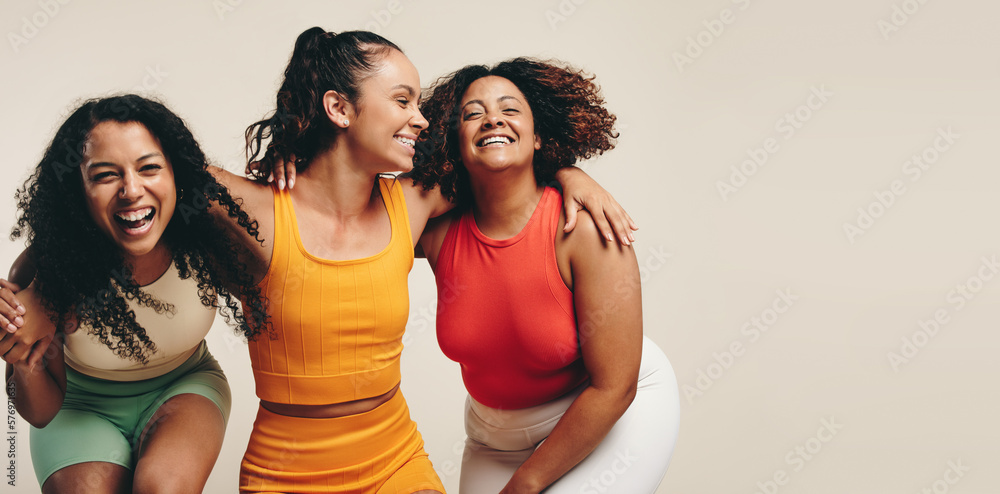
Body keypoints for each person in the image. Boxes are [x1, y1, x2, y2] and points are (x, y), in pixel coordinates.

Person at [2, 29, 634, 493]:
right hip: (285, 470)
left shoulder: (413, 200)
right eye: (404, 101)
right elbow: (129, 189)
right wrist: (29, 291)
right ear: (340, 109)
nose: (421, 119)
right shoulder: (252, 210)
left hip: (394, 459)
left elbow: (500, 160)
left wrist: (573, 175)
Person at [409, 58, 680, 493]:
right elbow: (350, 210)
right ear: (453, 141)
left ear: (537, 136)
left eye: (510, 109)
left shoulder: (584, 229)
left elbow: (615, 386)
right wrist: (295, 154)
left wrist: (528, 482)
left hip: (608, 410)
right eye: (472, 113)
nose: (492, 118)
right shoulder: (435, 231)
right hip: (493, 437)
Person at [0, 94, 269, 493]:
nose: (131, 190)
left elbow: (289, 261)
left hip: (185, 387)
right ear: (78, 188)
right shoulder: (46, 268)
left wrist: (290, 164)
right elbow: (39, 413)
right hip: (79, 406)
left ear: (177, 173)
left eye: (150, 168)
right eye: (106, 174)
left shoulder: (208, 238)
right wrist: (23, 364)